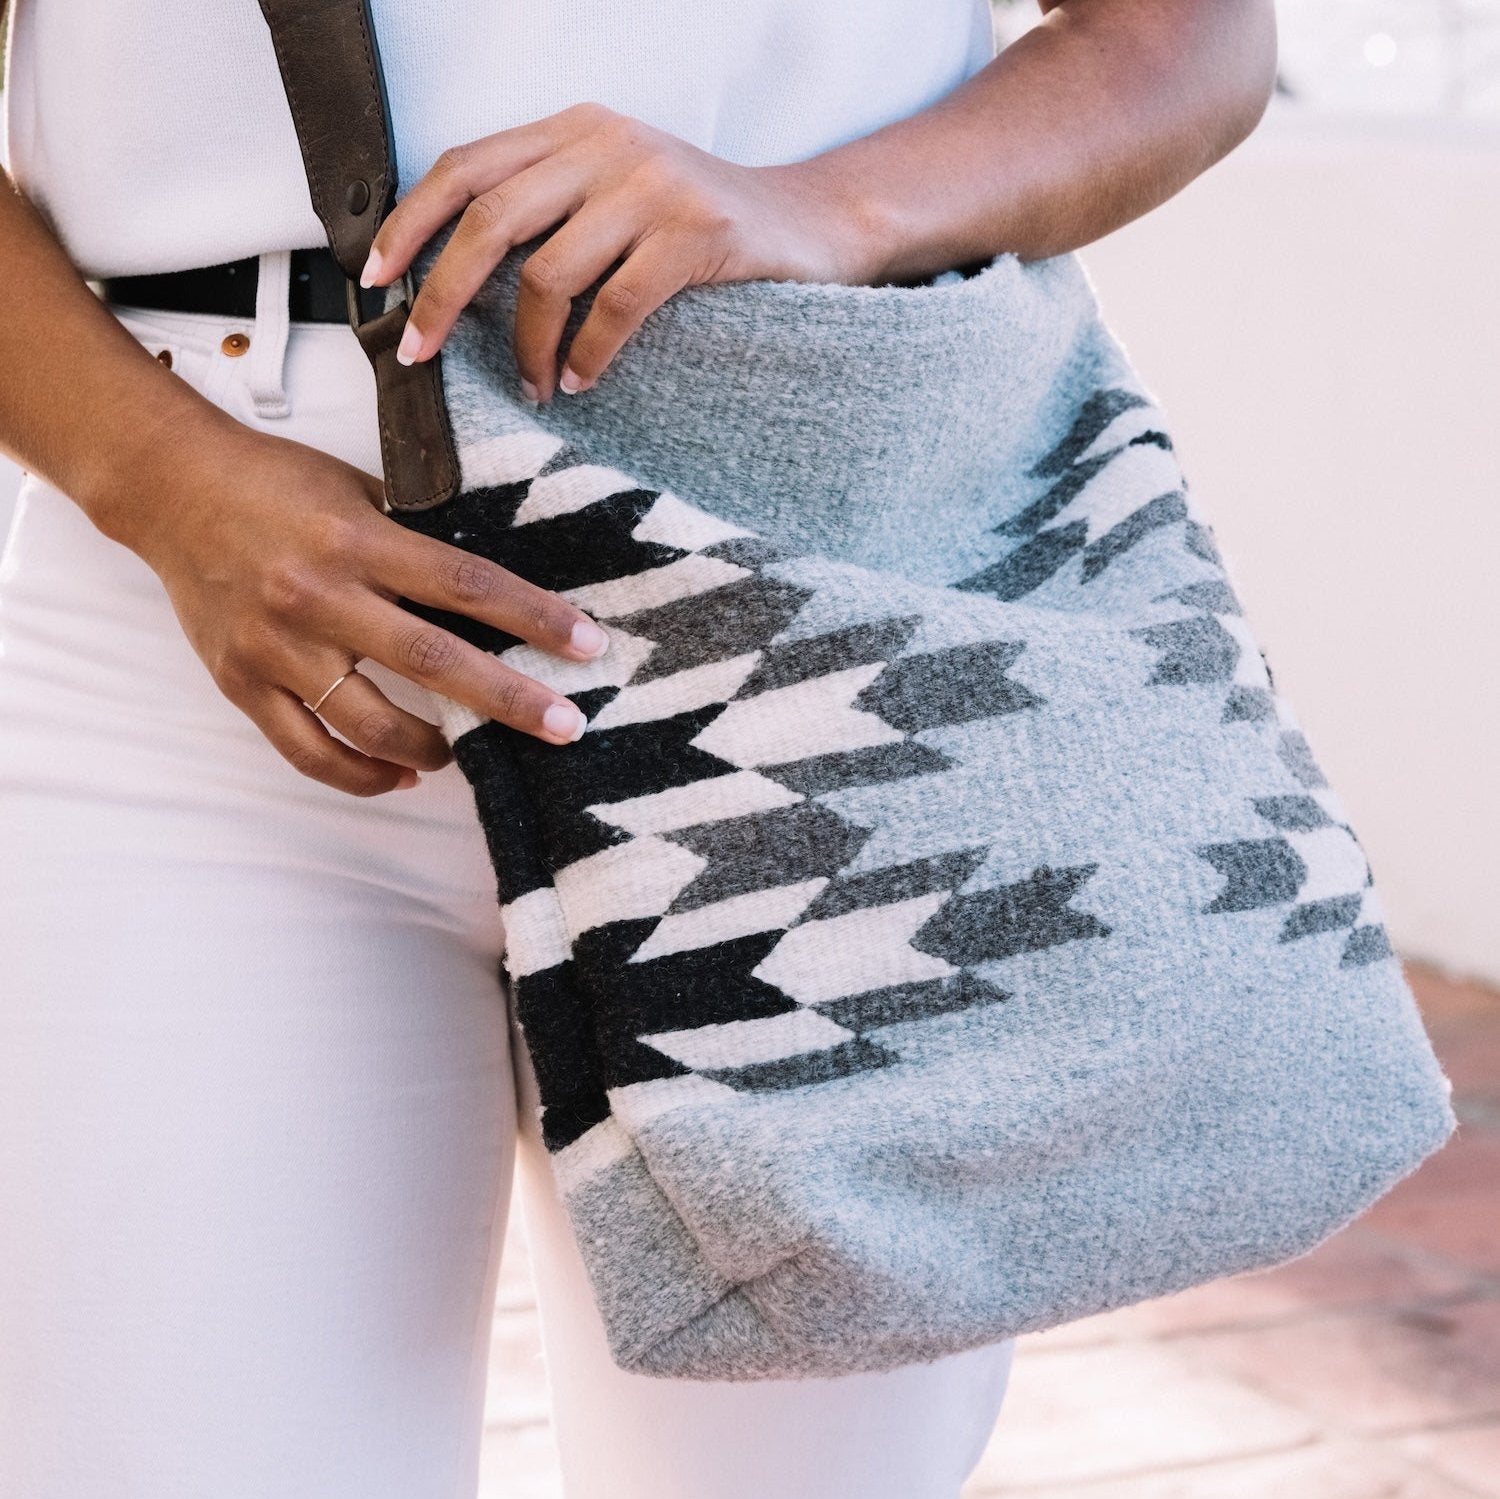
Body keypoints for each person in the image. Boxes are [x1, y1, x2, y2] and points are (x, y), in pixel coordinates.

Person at [0, 1, 1277, 1495]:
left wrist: (825, 205)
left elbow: (1191, 33)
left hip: (824, 622)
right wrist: (161, 484)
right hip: (202, 626)